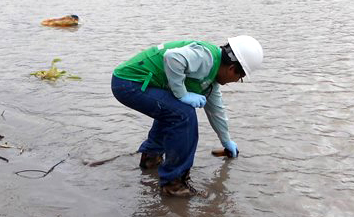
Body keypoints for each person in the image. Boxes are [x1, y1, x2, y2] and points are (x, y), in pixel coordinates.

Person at [111, 35, 263, 197]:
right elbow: (173, 57)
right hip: (129, 83)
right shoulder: (206, 58)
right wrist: (182, 93)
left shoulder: (211, 77)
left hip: (131, 83)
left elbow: (216, 111)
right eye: (240, 78)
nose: (236, 80)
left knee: (172, 110)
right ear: (232, 69)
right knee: (183, 113)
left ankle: (151, 159)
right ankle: (174, 183)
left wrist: (226, 140)